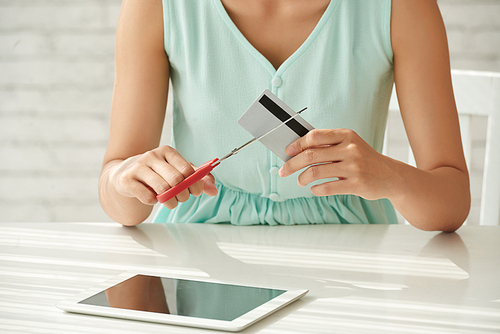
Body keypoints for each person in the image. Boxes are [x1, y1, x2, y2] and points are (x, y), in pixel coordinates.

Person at [99, 0, 470, 231]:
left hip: (356, 262)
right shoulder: (157, 5)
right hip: (196, 260)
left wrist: (390, 176)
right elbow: (123, 205)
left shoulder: (401, 6)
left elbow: (453, 202)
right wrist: (125, 180)